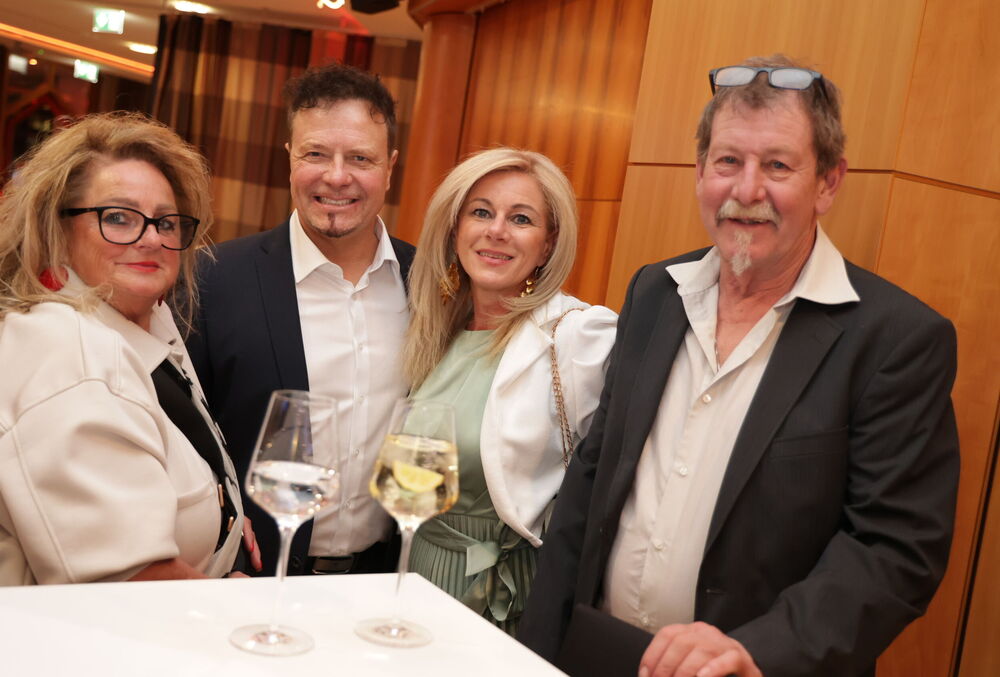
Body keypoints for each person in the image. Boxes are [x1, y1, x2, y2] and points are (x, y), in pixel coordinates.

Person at [519, 54, 960, 677]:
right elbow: (591, 483)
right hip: (602, 655)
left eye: (777, 165)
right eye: (728, 161)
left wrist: (759, 650)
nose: (747, 191)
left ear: (828, 182)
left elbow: (894, 550)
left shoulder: (896, 341)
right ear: (701, 172)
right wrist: (536, 653)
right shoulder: (654, 293)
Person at [0, 112, 256, 584]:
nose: (152, 238)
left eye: (167, 222)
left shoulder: (146, 317)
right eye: (118, 217)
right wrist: (234, 604)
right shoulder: (67, 354)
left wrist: (227, 516)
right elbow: (126, 582)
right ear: (59, 230)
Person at [187, 63, 415, 576]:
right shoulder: (211, 279)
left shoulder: (429, 284)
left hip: (383, 581)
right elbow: (176, 434)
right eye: (315, 154)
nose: (336, 176)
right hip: (247, 578)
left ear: (390, 167)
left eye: (360, 158)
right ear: (289, 156)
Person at [403, 148, 617, 634]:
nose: (496, 230)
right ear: (455, 228)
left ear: (547, 243)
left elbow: (611, 487)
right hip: (415, 571)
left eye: (521, 219)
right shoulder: (436, 331)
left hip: (501, 596)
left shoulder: (578, 337)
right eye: (481, 212)